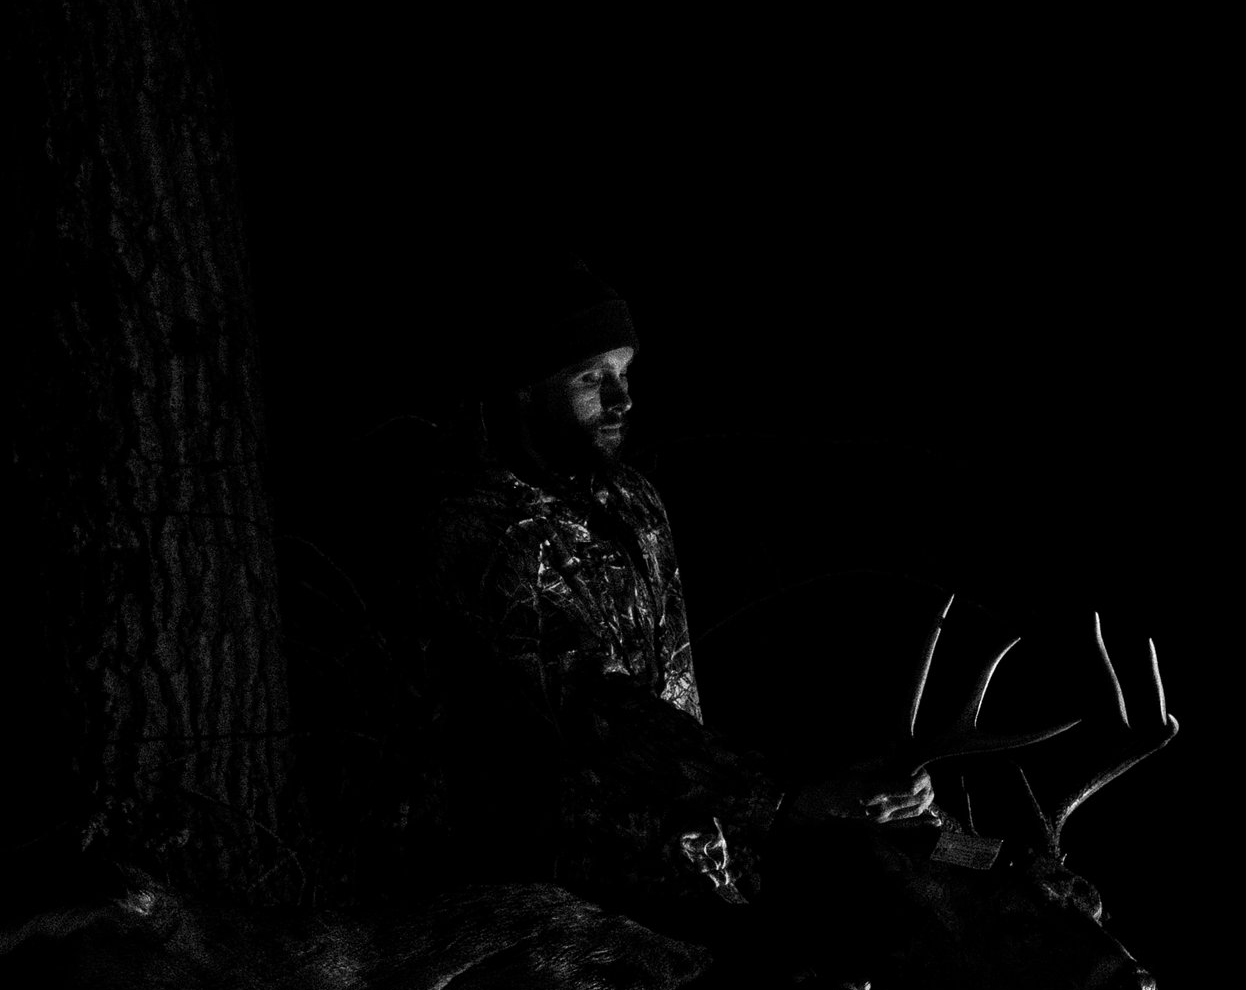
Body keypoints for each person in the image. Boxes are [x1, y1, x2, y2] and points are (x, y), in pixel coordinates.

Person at [393, 255, 932, 920]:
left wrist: (828, 782)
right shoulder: (483, 528)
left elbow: (673, 692)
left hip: (679, 847)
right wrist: (780, 800)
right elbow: (591, 707)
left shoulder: (631, 502)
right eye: (590, 377)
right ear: (525, 388)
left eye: (623, 371)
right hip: (542, 884)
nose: (621, 398)